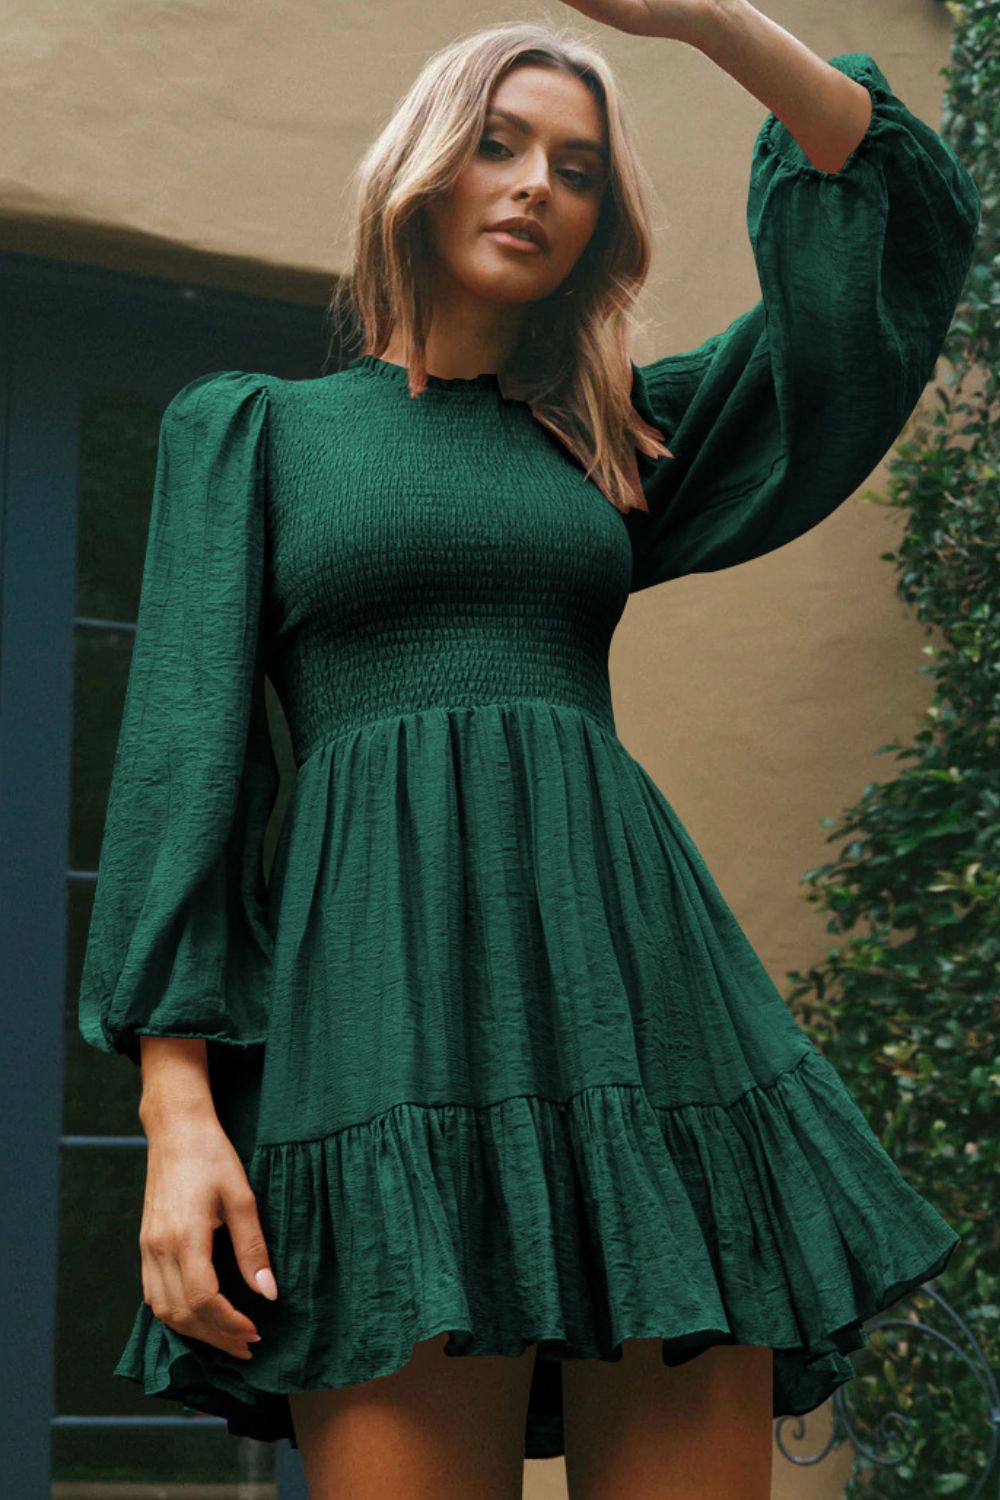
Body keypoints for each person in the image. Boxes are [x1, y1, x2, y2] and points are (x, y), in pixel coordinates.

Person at [77, 3, 981, 1497]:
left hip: (644, 1025)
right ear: (421, 170)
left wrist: (700, 20)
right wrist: (179, 1114)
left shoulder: (611, 438)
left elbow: (882, 223)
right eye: (498, 145)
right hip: (379, 1036)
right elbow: (187, 772)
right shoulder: (257, 435)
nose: (535, 187)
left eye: (577, 168)